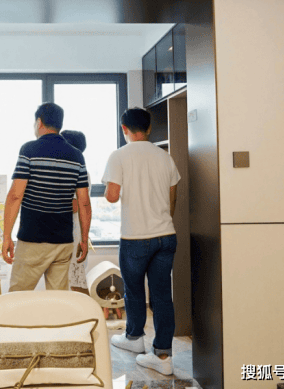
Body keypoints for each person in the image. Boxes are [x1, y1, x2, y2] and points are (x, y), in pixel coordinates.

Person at [102, 108, 180, 376]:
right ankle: (163, 356)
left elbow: (112, 196)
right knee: (162, 295)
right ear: (148, 129)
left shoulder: (119, 155)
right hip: (166, 235)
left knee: (134, 290)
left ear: (124, 129)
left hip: (135, 237)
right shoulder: (165, 156)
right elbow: (172, 198)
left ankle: (134, 338)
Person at [1, 102, 91, 291]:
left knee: (18, 296)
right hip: (63, 241)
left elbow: (16, 195)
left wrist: (6, 236)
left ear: (39, 122)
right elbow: (84, 203)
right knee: (58, 299)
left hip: (32, 239)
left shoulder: (29, 150)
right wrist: (84, 239)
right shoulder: (77, 156)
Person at [60, 129, 91, 294]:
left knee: (76, 281)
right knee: (69, 280)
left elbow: (74, 205)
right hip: (68, 234)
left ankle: (89, 310)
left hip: (73, 235)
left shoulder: (76, 171)